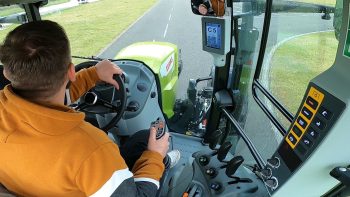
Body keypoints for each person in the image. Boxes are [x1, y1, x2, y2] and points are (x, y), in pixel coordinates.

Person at [0, 20, 179, 196]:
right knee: (150, 143)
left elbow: (47, 98)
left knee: (141, 139)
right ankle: (165, 161)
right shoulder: (91, 149)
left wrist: (93, 74)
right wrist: (155, 156)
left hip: (31, 181)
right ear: (71, 71)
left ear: (7, 73)